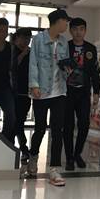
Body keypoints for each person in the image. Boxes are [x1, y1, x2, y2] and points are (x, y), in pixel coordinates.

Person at [27, 9, 71, 186]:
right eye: (65, 21)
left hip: (59, 91)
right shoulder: (38, 39)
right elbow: (33, 64)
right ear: (58, 21)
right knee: (39, 129)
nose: (67, 25)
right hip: (42, 91)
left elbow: (65, 64)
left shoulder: (63, 42)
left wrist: (69, 70)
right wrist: (34, 85)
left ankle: (54, 169)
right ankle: (33, 157)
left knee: (57, 130)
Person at [64, 17, 100, 171]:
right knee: (68, 125)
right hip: (67, 92)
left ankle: (77, 153)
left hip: (84, 92)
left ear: (85, 31)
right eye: (75, 29)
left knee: (84, 125)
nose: (78, 32)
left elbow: (95, 72)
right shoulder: (65, 47)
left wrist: (96, 92)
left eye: (81, 29)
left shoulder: (91, 48)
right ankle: (69, 158)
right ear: (70, 31)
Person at [13, 27, 33, 163]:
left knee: (19, 121)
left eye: (28, 38)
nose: (26, 41)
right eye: (24, 38)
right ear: (17, 38)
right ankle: (22, 149)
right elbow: (12, 66)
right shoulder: (11, 50)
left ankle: (22, 149)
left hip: (26, 93)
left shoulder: (31, 53)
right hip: (12, 92)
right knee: (14, 121)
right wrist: (23, 54)